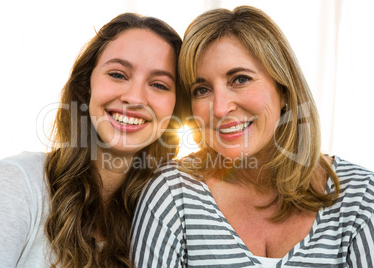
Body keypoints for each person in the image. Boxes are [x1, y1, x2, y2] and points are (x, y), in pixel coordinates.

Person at [131, 6, 374, 267]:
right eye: (202, 90)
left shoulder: (360, 198)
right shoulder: (173, 193)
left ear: (283, 89)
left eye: (240, 79)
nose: (221, 108)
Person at [0, 13, 183, 267]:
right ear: (86, 84)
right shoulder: (18, 181)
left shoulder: (171, 209)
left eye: (159, 84)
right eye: (118, 74)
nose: (135, 98)